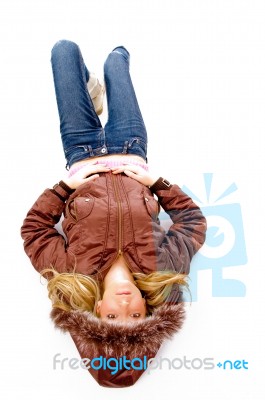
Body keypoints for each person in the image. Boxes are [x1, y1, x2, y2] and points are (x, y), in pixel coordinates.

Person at [21, 40, 207, 387]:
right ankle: (102, 80)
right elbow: (192, 223)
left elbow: (34, 231)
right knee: (117, 60)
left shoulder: (72, 272)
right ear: (148, 312)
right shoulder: (163, 269)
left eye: (112, 315)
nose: (125, 304)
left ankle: (91, 94)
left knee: (64, 51)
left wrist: (65, 187)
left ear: (96, 311)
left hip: (81, 149)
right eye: (135, 315)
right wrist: (157, 183)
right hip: (131, 147)